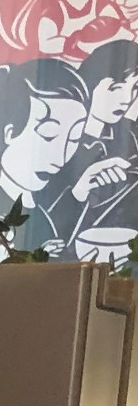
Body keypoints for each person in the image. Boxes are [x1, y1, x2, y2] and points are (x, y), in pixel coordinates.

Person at [0, 57, 90, 261]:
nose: (61, 156)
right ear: (9, 132)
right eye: (49, 134)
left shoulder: (38, 211)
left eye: (74, 137)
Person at [38, 37, 138, 255]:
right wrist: (79, 191)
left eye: (134, 88)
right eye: (116, 87)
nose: (126, 99)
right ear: (90, 82)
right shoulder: (58, 141)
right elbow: (39, 213)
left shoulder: (131, 136)